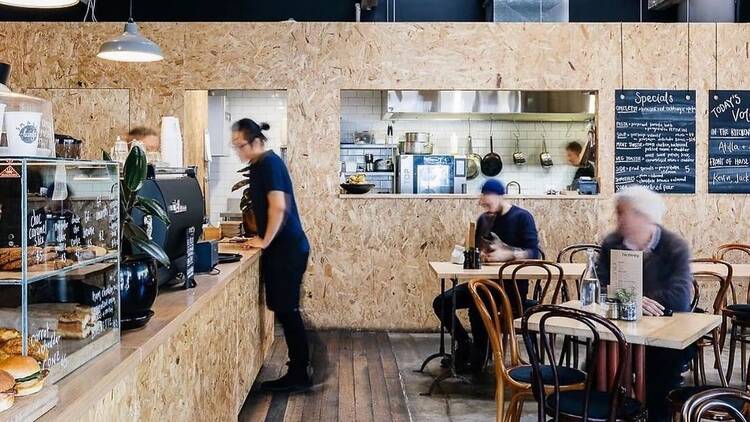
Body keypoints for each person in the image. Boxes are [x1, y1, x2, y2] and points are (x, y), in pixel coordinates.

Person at [596, 185, 693, 422]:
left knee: (659, 382)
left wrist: (636, 299)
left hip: (667, 333)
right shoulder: (612, 243)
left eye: (622, 213)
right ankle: (606, 411)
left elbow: (680, 295)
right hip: (621, 329)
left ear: (643, 216)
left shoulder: (673, 246)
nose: (617, 219)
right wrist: (633, 300)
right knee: (598, 364)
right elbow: (601, 283)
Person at [232, 118, 312, 393]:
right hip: (283, 248)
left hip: (288, 249)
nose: (238, 151)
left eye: (240, 145)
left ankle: (300, 374)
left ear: (256, 141)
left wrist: (264, 240)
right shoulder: (259, 165)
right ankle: (299, 370)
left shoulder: (269, 163)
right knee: (285, 310)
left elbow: (278, 206)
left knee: (288, 312)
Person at [432, 179, 540, 374]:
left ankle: (479, 358)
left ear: (499, 195)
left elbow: (534, 253)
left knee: (478, 304)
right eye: (482, 201)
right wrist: (481, 255)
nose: (483, 204)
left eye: (487, 200)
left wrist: (510, 254)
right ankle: (466, 344)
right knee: (442, 302)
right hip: (482, 284)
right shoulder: (485, 219)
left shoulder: (522, 218)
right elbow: (477, 250)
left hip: (511, 291)